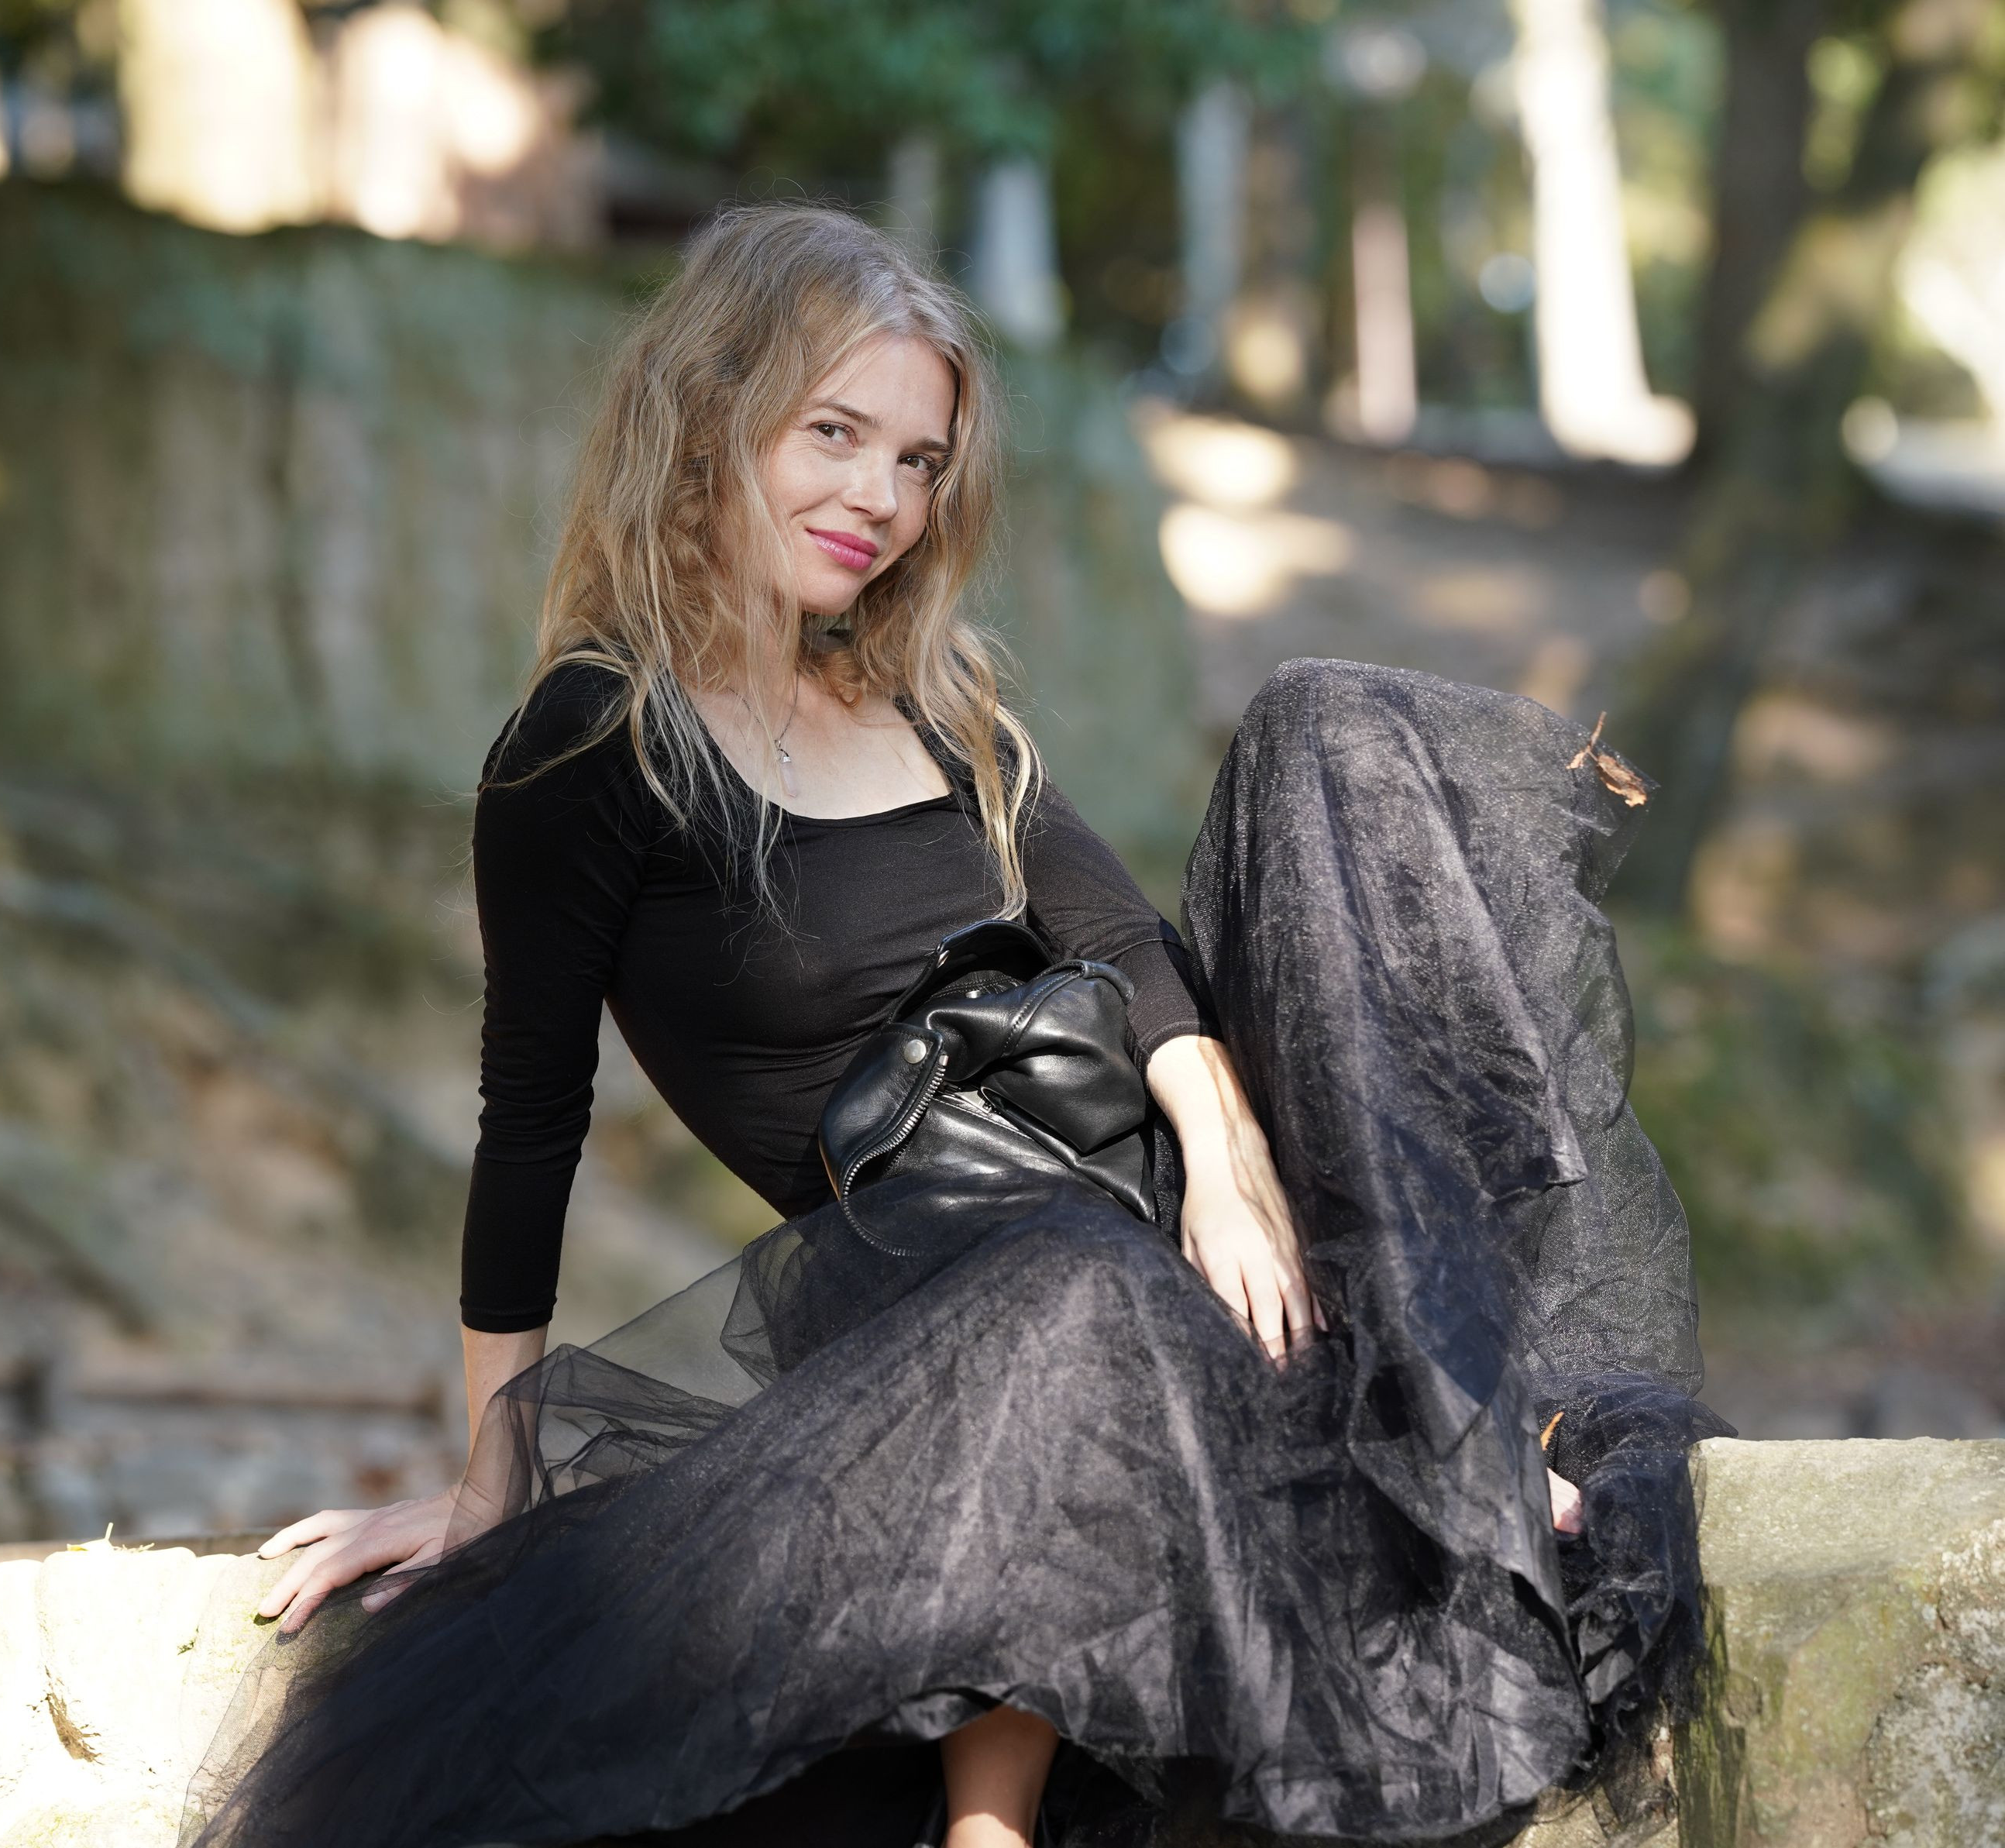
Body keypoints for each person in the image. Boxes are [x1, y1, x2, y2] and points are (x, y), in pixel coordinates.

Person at [194, 205, 1722, 1848]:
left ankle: (1445, 1395)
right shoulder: (590, 744)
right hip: (957, 1282)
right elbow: (529, 1122)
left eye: (919, 461)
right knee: (1077, 1281)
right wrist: (489, 1479)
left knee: (1320, 722)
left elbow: (1120, 939)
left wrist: (1225, 1156)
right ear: (706, 421)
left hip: (1173, 1200)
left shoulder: (936, 700)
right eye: (834, 435)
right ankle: (1000, 1809)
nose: (880, 496)